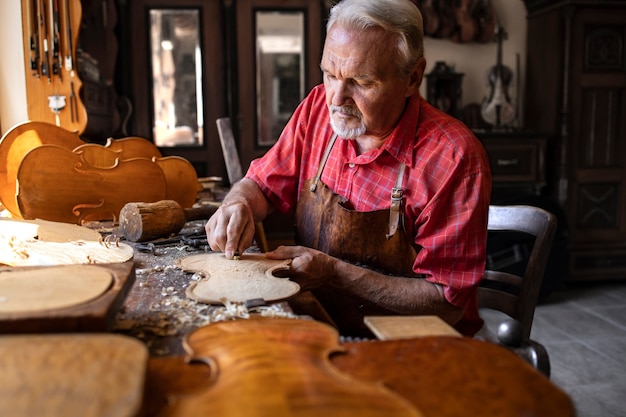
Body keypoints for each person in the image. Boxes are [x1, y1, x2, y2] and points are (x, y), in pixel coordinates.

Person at [206, 0, 492, 337]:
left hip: (413, 343)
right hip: (320, 322)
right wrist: (237, 203)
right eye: (330, 74)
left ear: (412, 77)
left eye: (362, 81)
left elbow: (446, 302)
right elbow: (261, 184)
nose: (337, 99)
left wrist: (334, 273)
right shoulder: (316, 109)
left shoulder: (454, 158)